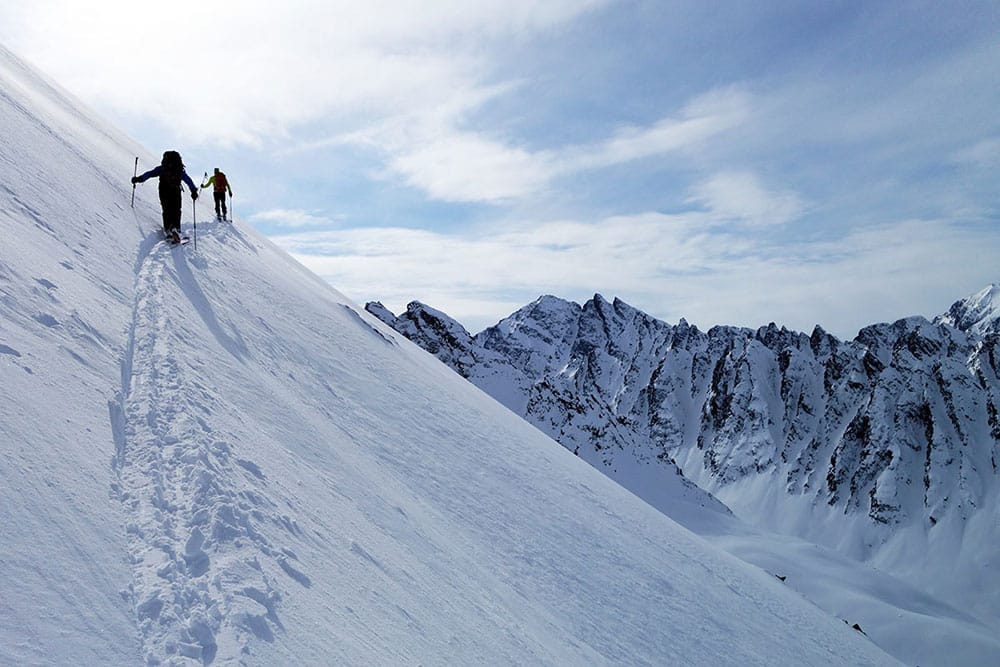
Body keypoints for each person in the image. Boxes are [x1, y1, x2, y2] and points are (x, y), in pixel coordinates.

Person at [132, 150, 198, 243]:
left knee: (166, 209)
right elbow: (188, 180)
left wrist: (138, 179)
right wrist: (193, 191)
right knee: (176, 209)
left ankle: (168, 230)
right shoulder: (179, 170)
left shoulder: (162, 168)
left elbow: (150, 173)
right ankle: (176, 228)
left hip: (163, 190)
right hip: (176, 190)